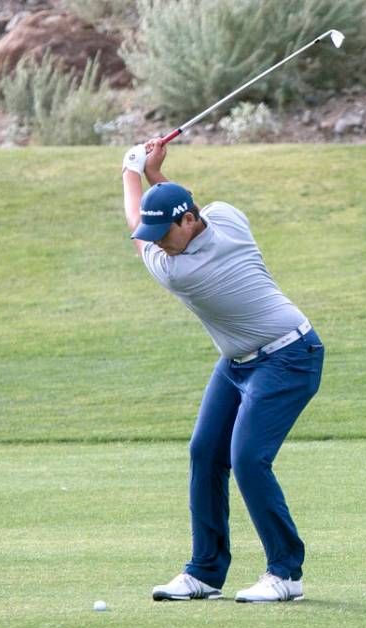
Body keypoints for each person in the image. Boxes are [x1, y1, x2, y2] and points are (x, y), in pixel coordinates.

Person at [120, 140, 324, 602]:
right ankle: (206, 572)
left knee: (249, 458)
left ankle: (286, 573)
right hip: (238, 361)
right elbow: (172, 209)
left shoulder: (183, 272)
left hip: (290, 357)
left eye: (163, 234)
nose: (158, 245)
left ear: (188, 221)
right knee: (206, 452)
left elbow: (136, 227)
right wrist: (158, 176)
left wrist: (132, 170)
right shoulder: (226, 215)